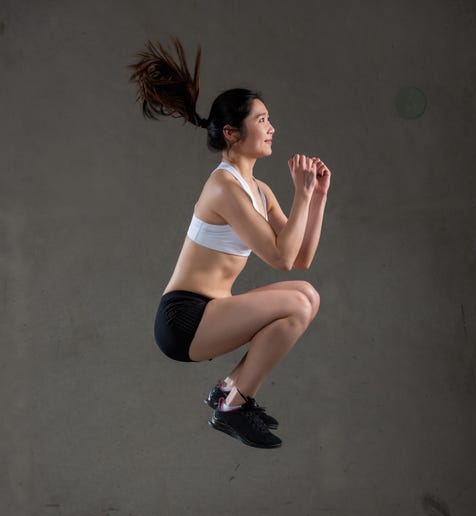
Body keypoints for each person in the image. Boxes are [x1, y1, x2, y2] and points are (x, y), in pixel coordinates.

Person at [128, 38, 331, 449]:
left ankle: (229, 393)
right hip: (183, 319)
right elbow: (278, 256)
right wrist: (302, 195)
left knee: (306, 295)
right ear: (231, 133)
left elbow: (300, 259)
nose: (271, 127)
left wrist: (318, 197)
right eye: (261, 120)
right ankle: (234, 403)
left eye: (269, 118)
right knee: (296, 301)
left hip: (211, 312)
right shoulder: (224, 186)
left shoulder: (259, 189)